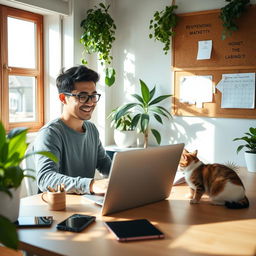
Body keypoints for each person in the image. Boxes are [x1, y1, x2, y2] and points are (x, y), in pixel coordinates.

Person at [33, 65, 111, 194]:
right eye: (82, 96)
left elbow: (104, 164)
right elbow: (45, 179)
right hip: (57, 208)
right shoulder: (50, 133)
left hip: (85, 205)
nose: (90, 102)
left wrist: (130, 175)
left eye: (93, 95)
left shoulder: (91, 129)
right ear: (63, 98)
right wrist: (91, 185)